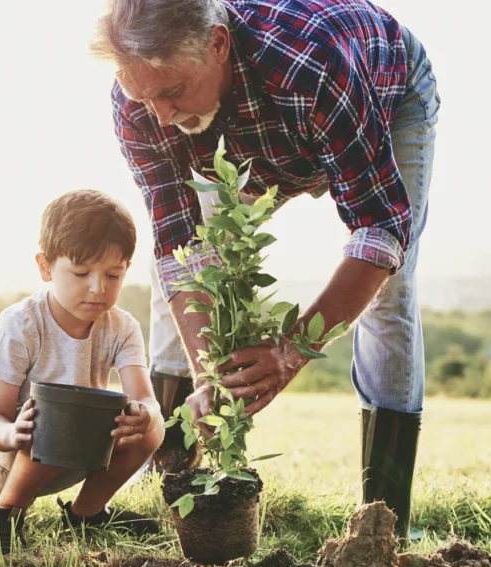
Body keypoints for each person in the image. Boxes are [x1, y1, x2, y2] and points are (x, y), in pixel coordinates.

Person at [92, 0, 440, 539]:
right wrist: (212, 372)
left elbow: (380, 229)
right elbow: (178, 245)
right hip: (258, 135)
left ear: (218, 45)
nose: (159, 116)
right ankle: (173, 478)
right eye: (143, 96)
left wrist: (289, 352)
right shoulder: (141, 103)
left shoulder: (313, 64)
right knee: (187, 276)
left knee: (390, 292)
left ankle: (383, 522)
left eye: (172, 92)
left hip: (379, 97)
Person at [0, 190, 165, 553]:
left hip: (69, 446)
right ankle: (1, 517)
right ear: (45, 267)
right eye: (81, 273)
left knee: (153, 425)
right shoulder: (21, 325)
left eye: (113, 275)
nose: (98, 288)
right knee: (55, 417)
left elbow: (146, 398)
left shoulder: (122, 327)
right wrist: (14, 433)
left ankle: (86, 515)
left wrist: (145, 415)